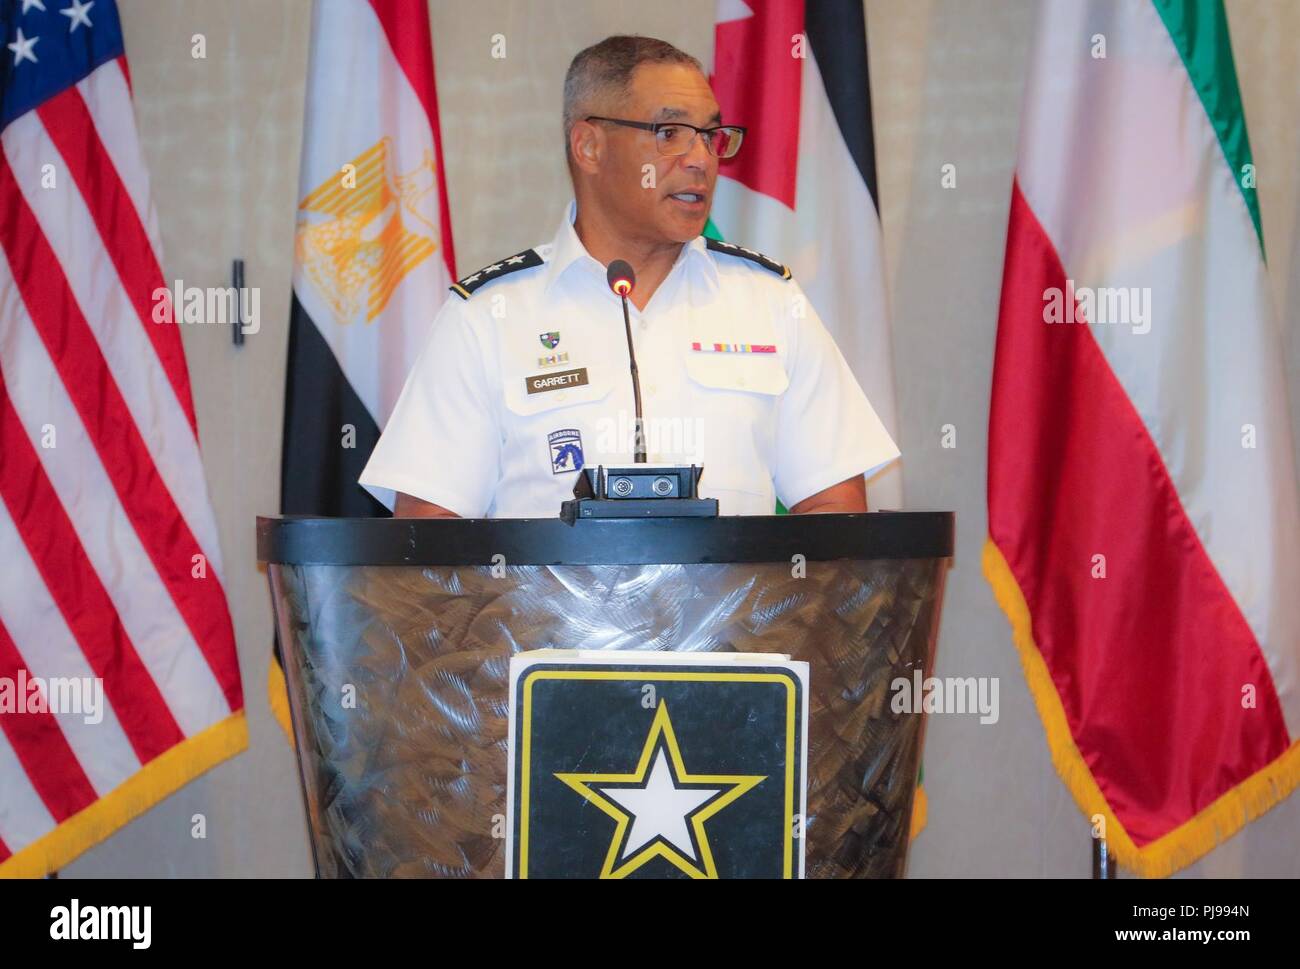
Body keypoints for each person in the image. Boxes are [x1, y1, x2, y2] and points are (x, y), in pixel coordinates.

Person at [360, 35, 898, 518]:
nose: (701, 160)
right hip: (546, 632)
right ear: (589, 146)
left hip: (735, 632)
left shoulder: (771, 303)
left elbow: (835, 511)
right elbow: (429, 541)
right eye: (669, 133)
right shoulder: (488, 317)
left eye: (712, 136)